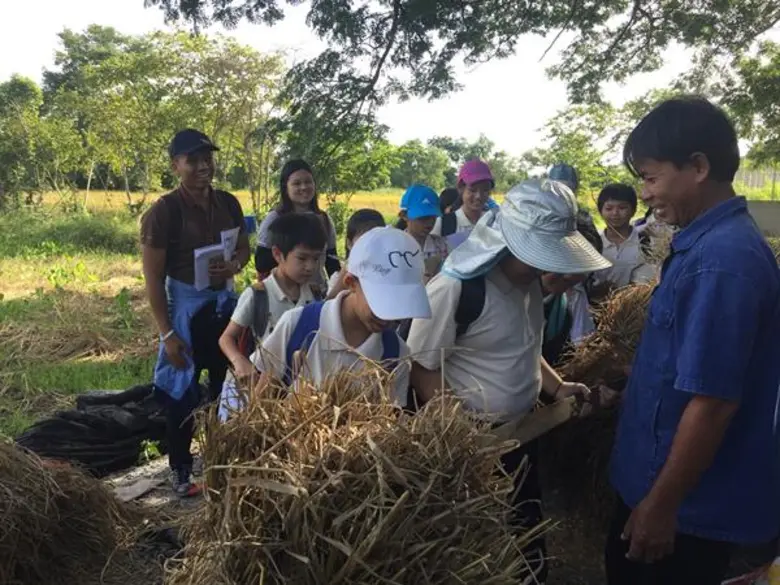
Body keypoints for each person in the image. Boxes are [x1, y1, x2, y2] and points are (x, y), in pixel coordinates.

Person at [606, 97, 780, 585]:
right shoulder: (706, 246)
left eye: (652, 177)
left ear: (698, 167)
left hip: (683, 512)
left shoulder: (722, 262)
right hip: (660, 488)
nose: (645, 193)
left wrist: (662, 506)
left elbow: (713, 401)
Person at [406, 179, 611, 582]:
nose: (546, 269)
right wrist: (459, 433)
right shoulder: (456, 288)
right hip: (469, 447)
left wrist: (557, 387)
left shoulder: (529, 286)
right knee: (476, 551)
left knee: (525, 539)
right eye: (538, 257)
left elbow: (526, 345)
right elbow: (421, 365)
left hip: (523, 435)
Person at [140, 128, 250, 497]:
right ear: (176, 166)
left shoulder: (229, 204)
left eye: (208, 159)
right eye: (194, 161)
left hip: (222, 308)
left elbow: (244, 250)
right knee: (180, 394)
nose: (204, 167)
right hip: (184, 311)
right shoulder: (164, 212)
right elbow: (153, 278)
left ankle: (218, 461)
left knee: (222, 387)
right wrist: (167, 334)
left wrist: (233, 265)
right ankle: (181, 471)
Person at [255, 226, 432, 406]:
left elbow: (391, 419)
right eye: (381, 304)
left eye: (399, 306)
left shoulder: (395, 355)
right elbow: (261, 403)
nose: (388, 317)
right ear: (351, 283)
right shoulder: (298, 326)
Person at [217, 213, 327, 421]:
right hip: (251, 388)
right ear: (278, 254)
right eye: (302, 258)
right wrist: (240, 361)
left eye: (316, 258)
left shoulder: (315, 295)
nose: (310, 267)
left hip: (292, 392)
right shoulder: (258, 294)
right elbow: (226, 338)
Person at [255, 159, 340, 288]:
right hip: (283, 294)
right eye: (296, 183)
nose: (304, 187)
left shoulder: (324, 220)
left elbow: (332, 263)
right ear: (286, 188)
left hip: (316, 293)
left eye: (308, 182)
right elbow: (261, 262)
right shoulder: (275, 219)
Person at [541, 215, 604, 366]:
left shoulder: (573, 297)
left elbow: (581, 340)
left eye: (583, 266)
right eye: (566, 261)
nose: (570, 275)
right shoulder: (515, 296)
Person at [595, 183, 656, 288]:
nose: (615, 213)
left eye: (622, 208)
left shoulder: (645, 242)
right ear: (601, 211)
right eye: (609, 208)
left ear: (633, 210)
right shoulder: (593, 243)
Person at [431, 159, 497, 243]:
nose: (478, 196)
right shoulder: (442, 224)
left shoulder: (495, 222)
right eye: (472, 190)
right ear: (461, 189)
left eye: (485, 190)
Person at [326, 208, 386, 299]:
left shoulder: (386, 272)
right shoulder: (338, 277)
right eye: (363, 241)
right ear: (349, 243)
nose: (369, 247)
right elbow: (329, 302)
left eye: (376, 241)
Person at [398, 184, 449, 282]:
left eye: (433, 217)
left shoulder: (443, 246)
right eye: (423, 218)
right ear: (404, 216)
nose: (429, 223)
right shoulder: (395, 247)